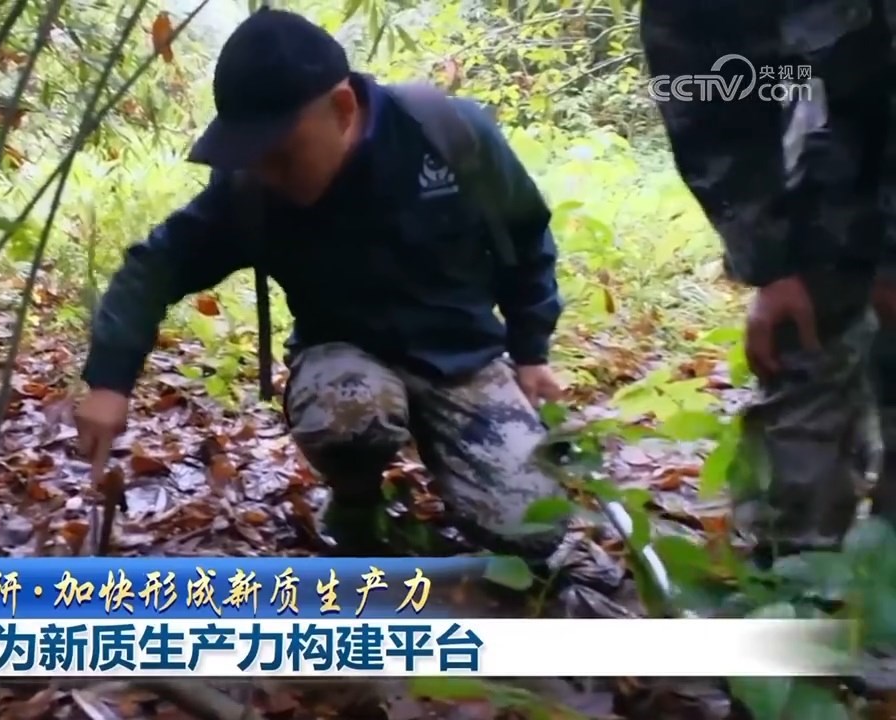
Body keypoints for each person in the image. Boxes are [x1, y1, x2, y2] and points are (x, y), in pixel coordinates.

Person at [73, 8, 572, 561]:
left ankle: (461, 476)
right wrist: (109, 381)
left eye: (281, 155)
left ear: (342, 109)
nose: (268, 174)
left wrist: (531, 350)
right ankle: (356, 502)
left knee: (535, 529)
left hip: (462, 359)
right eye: (255, 159)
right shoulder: (252, 189)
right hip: (346, 365)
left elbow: (526, 235)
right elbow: (155, 267)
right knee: (347, 415)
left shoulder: (448, 136)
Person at [640, 0, 896, 564]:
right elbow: (702, 94)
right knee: (807, 372)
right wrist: (769, 263)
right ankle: (795, 578)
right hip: (819, 212)